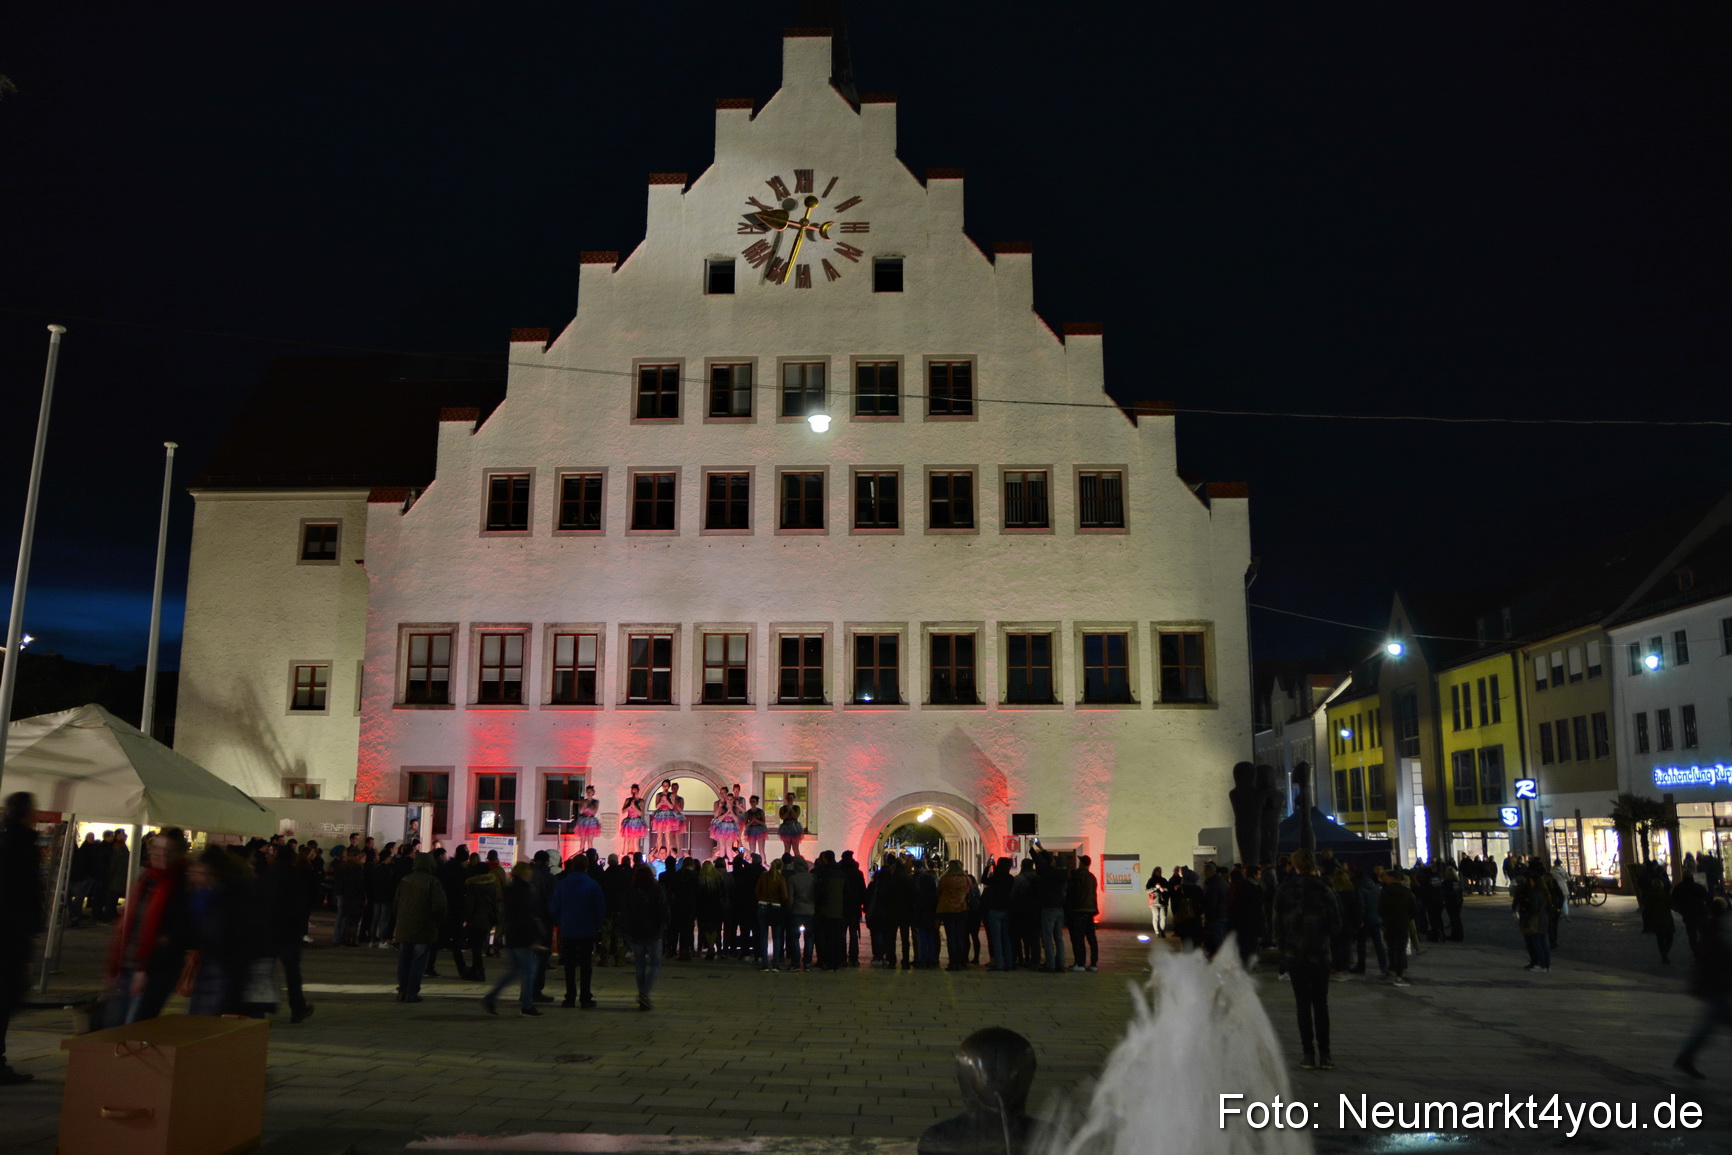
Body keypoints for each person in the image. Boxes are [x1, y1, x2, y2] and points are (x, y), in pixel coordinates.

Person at [104, 828, 192, 1025]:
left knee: (134, 1029)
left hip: (155, 971)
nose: (159, 854)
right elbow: (129, 924)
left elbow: (180, 933)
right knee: (112, 1027)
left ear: (178, 853)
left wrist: (146, 969)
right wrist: (114, 966)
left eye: (167, 850)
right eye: (157, 848)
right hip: (127, 965)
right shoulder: (146, 879)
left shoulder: (182, 885)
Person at [1274, 847, 1341, 1070]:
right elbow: (1336, 925)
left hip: (1295, 954)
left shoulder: (1284, 890)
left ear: (1295, 866)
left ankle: (1308, 1054)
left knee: (1302, 1004)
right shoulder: (1324, 889)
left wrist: (1283, 950)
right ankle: (1326, 1054)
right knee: (1321, 1003)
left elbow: (1277, 925)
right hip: (1320, 953)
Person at [0, 794, 43, 1085]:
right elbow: (25, 892)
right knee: (6, 998)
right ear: (26, 814)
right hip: (10, 936)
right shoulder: (21, 845)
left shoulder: (8, 842)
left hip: (10, 933)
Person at [1676, 897, 1732, 1078]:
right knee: (1710, 1024)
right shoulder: (1717, 930)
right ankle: (1686, 1057)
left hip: (1713, 985)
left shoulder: (1710, 928)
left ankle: (1686, 1056)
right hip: (1717, 985)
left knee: (1708, 1026)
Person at [482, 862, 547, 1016]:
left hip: (512, 936)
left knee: (515, 971)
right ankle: (527, 1005)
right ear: (525, 873)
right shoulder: (525, 890)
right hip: (524, 937)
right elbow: (526, 917)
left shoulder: (510, 888)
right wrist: (532, 939)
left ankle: (491, 997)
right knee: (529, 972)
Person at [550, 854, 605, 1008]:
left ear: (572, 866)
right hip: (587, 930)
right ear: (586, 866)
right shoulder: (593, 885)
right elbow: (600, 909)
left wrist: (561, 921)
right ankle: (585, 997)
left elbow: (554, 907)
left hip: (568, 929)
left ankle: (570, 996)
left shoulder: (563, 884)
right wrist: (596, 924)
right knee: (586, 965)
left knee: (569, 964)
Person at [393, 852, 447, 1003]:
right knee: (419, 959)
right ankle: (412, 992)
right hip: (424, 926)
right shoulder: (432, 881)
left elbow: (396, 903)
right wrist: (438, 920)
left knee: (404, 960)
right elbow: (439, 906)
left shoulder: (405, 880)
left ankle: (402, 990)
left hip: (404, 926)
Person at [622, 863, 671, 1010]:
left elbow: (626, 911)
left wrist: (625, 930)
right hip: (653, 932)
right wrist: (665, 924)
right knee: (656, 963)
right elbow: (663, 909)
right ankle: (644, 993)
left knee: (640, 965)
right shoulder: (656, 890)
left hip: (636, 932)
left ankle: (642, 993)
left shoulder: (631, 891)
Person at [1378, 868, 1418, 987]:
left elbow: (1380, 909)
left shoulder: (1385, 892)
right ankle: (1399, 974)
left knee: (1391, 947)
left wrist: (1385, 920)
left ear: (1391, 878)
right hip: (1402, 924)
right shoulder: (1407, 892)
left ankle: (1392, 968)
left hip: (1389, 924)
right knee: (1401, 950)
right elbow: (1414, 910)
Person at [1514, 866, 1554, 973]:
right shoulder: (1545, 892)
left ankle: (1541, 965)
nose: (1530, 882)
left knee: (1537, 943)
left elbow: (1533, 908)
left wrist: (1527, 913)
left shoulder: (1534, 893)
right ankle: (1546, 965)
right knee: (1543, 943)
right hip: (1544, 920)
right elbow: (1549, 908)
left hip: (1536, 920)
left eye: (1531, 881)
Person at [755, 853, 790, 970]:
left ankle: (764, 964)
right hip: (776, 907)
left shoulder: (763, 876)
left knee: (763, 936)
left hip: (762, 906)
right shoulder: (781, 878)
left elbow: (756, 891)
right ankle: (775, 964)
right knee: (777, 937)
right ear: (781, 867)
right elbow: (785, 896)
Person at [1352, 865, 1388, 976]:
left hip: (1365, 920)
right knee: (1378, 944)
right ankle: (1384, 967)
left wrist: (1359, 919)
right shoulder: (1375, 887)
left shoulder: (1359, 888)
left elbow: (1360, 906)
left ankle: (1361, 966)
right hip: (1376, 919)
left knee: (1361, 944)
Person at [1066, 856, 1101, 971]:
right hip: (1090, 911)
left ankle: (1080, 963)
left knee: (1078, 938)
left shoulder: (1078, 876)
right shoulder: (1092, 877)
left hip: (1079, 910)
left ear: (1081, 863)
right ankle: (1093, 964)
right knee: (1091, 938)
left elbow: (1073, 893)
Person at [937, 860, 971, 971]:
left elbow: (939, 892)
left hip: (948, 909)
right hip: (962, 909)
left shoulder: (944, 879)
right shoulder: (965, 879)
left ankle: (952, 962)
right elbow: (968, 892)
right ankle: (960, 961)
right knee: (960, 936)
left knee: (951, 937)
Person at [982, 858, 1015, 970]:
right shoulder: (1010, 878)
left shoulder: (995, 878)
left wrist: (988, 866)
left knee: (996, 938)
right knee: (1006, 937)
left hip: (995, 909)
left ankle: (999, 963)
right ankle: (1009, 962)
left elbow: (983, 880)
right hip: (1006, 909)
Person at [1675, 870, 1711, 958]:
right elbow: (1709, 899)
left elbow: (1674, 902)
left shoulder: (1678, 888)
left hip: (1688, 915)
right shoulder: (1698, 887)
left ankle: (1696, 952)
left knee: (1692, 935)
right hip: (1700, 913)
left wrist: (1681, 910)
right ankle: (1702, 949)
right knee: (1704, 933)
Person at [1644, 873, 1677, 964]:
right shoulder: (1665, 895)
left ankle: (1663, 954)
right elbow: (1673, 906)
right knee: (1669, 937)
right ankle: (1665, 953)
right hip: (1666, 919)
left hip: (1655, 920)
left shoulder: (1649, 896)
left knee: (1660, 939)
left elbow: (1646, 908)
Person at [619, 784, 648, 858]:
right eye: (632, 792)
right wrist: (629, 806)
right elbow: (623, 811)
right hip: (629, 821)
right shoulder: (628, 800)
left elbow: (640, 813)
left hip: (637, 822)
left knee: (636, 842)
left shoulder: (641, 801)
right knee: (626, 841)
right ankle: (624, 858)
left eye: (635, 792)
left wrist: (634, 806)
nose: (633, 794)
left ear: (638, 791)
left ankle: (637, 859)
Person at [1144, 866, 1167, 936]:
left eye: (1160, 871)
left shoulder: (1163, 880)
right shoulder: (1151, 880)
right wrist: (1154, 888)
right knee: (1156, 917)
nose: (1160, 873)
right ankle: (1157, 932)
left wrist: (1164, 889)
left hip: (1163, 901)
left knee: (1163, 917)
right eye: (1158, 871)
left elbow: (1168, 889)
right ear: (1155, 872)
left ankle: (1162, 931)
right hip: (1154, 902)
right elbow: (1147, 890)